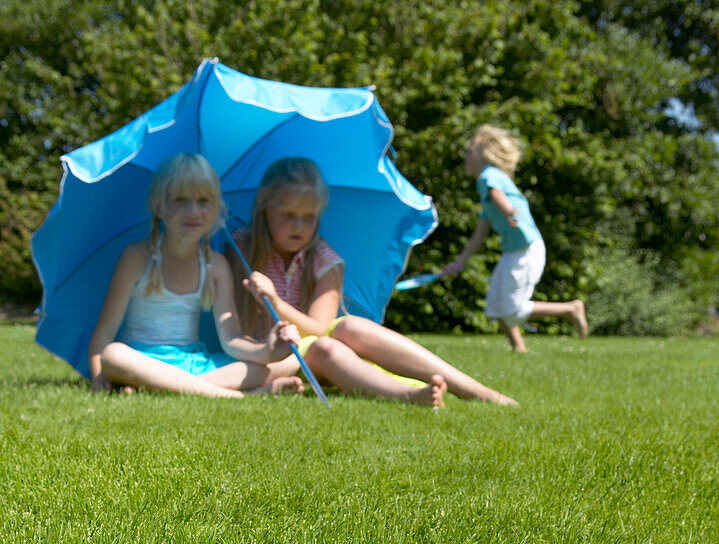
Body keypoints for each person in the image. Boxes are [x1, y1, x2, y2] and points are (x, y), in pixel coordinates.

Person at [227, 157, 517, 406]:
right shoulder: (242, 250)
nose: (298, 226)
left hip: (314, 341)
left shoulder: (325, 260)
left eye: (309, 217)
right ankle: (405, 395)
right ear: (265, 209)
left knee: (350, 326)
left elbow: (316, 327)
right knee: (324, 348)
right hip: (278, 356)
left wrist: (275, 301)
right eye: (287, 215)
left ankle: (470, 388)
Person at [89, 153, 304, 398]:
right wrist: (98, 376)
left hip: (194, 364)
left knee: (287, 364)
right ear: (159, 206)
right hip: (143, 360)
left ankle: (159, 387)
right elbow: (104, 333)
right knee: (113, 355)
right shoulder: (137, 257)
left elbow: (231, 338)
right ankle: (240, 396)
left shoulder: (216, 265)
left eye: (203, 201)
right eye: (180, 200)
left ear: (216, 210)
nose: (193, 211)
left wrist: (267, 350)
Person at [442, 125, 588, 353]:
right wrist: (459, 263)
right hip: (514, 250)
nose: (466, 156)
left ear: (484, 153)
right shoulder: (486, 188)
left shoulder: (488, 176)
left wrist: (508, 210)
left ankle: (570, 309)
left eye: (470, 151)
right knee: (496, 302)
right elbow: (479, 234)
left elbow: (496, 193)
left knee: (512, 308)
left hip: (527, 249)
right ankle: (519, 349)